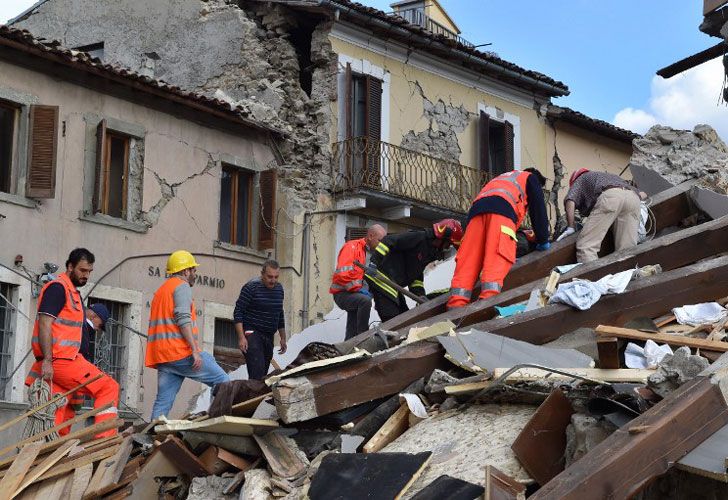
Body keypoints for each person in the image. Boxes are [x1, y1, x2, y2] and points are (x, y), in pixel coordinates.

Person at [25, 248, 120, 438]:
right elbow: (45, 322)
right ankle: (104, 440)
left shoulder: (71, 292)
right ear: (70, 267)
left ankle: (50, 454)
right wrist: (48, 361)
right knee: (109, 387)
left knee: (60, 413)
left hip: (63, 361)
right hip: (62, 361)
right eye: (82, 271)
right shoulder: (58, 288)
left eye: (89, 272)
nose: (86, 276)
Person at [447, 168, 551, 309]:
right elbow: (538, 209)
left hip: (475, 216)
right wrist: (543, 239)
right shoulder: (530, 178)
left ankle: (455, 305)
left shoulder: (502, 178)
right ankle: (486, 305)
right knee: (496, 259)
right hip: (502, 214)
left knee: (469, 259)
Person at [146, 250, 229, 420]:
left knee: (162, 404)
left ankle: (148, 440)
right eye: (193, 270)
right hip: (179, 353)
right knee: (224, 382)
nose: (195, 274)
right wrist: (194, 350)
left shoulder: (161, 291)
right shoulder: (181, 286)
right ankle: (215, 421)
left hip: (163, 357)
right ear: (186, 271)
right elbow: (183, 319)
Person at [368, 219, 463, 322]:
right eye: (448, 243)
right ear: (442, 238)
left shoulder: (429, 251)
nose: (448, 247)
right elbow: (388, 240)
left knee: (405, 317)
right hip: (380, 277)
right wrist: (374, 263)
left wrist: (420, 295)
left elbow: (415, 275)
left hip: (392, 284)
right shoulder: (419, 237)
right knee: (393, 320)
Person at [557, 168, 646, 263]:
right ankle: (627, 275)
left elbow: (570, 200)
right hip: (633, 199)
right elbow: (643, 194)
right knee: (627, 249)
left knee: (587, 245)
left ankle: (592, 276)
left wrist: (571, 227)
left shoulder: (580, 179)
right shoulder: (612, 177)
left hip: (611, 197)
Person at [330, 224, 387, 340]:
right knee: (364, 301)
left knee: (353, 324)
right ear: (370, 236)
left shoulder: (376, 254)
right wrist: (358, 288)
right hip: (343, 293)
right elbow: (342, 275)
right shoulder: (351, 247)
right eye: (380, 240)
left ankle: (349, 345)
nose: (382, 244)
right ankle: (364, 338)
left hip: (357, 294)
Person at [234, 260, 287, 380]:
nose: (273, 280)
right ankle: (248, 396)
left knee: (262, 376)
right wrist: (241, 337)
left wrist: (283, 337)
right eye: (269, 277)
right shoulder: (251, 287)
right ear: (262, 274)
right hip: (252, 333)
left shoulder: (279, 289)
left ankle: (251, 396)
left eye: (276, 277)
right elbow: (238, 312)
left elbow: (279, 313)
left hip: (268, 336)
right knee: (257, 373)